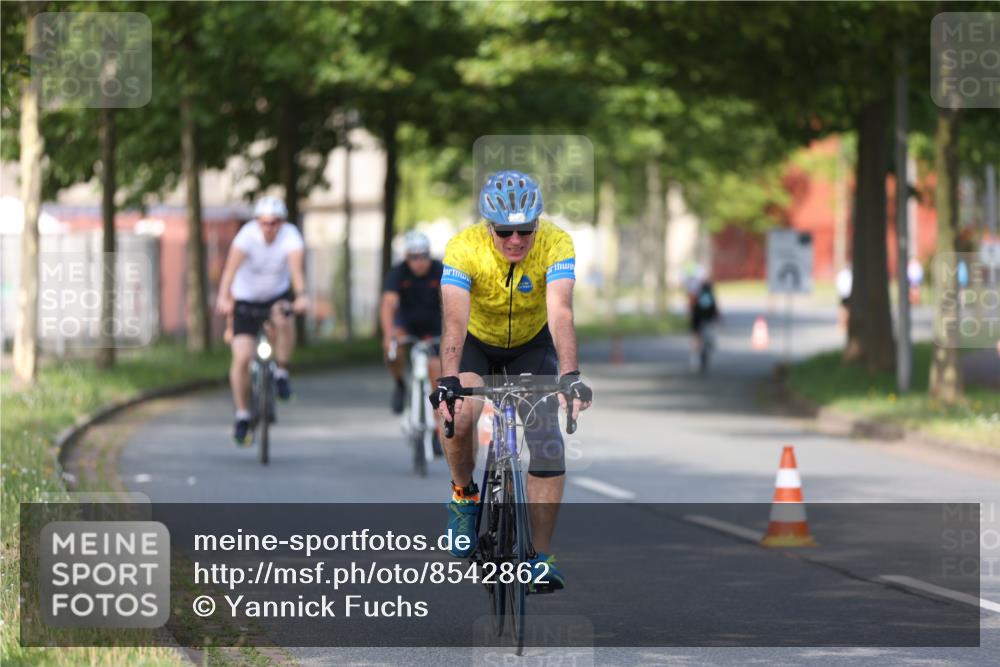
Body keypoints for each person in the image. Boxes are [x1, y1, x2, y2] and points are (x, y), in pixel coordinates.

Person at [430, 169, 593, 592]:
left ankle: (539, 558)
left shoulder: (557, 243)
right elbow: (453, 322)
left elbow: (560, 313)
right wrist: (448, 379)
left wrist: (570, 375)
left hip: (530, 345)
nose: (516, 240)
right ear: (489, 227)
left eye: (525, 230)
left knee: (547, 441)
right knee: (461, 411)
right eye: (505, 231)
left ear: (538, 224)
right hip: (475, 343)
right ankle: (464, 495)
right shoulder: (463, 247)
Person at [215, 195, 309, 445]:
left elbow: (297, 273)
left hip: (275, 296)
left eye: (275, 222)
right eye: (265, 223)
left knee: (285, 317)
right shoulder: (246, 236)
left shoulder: (291, 236)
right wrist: (224, 297)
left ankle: (281, 373)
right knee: (242, 358)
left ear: (282, 222)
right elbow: (229, 271)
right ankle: (243, 414)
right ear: (257, 222)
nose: (270, 228)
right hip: (245, 299)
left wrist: (301, 296)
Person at [380, 230, 444, 415]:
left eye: (424, 255)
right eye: (414, 257)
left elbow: (450, 301)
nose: (420, 261)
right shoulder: (398, 272)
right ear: (407, 257)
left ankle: (437, 424)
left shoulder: (439, 269)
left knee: (436, 369)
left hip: (434, 324)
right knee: (391, 349)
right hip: (406, 324)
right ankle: (400, 383)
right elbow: (388, 304)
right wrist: (388, 332)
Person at [689, 280, 720, 372]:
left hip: (698, 322)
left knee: (698, 341)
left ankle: (697, 359)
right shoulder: (709, 296)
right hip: (707, 322)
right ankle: (703, 355)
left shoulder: (699, 296)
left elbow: (694, 311)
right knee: (707, 341)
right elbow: (713, 311)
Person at [836, 264, 852, 331]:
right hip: (846, 294)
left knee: (844, 310)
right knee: (845, 310)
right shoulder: (846, 274)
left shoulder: (844, 274)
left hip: (845, 294)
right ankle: (843, 324)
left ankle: (844, 324)